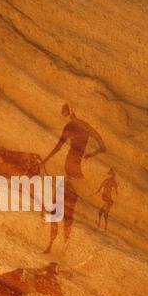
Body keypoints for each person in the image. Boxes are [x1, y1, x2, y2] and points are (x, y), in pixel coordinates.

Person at [41, 103, 106, 252]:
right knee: (65, 214)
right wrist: (91, 154)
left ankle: (56, 245)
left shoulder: (70, 127)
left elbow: (58, 147)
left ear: (70, 111)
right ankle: (60, 245)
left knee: (58, 212)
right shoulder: (86, 126)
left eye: (64, 111)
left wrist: (45, 161)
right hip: (74, 173)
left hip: (72, 173)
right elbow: (103, 146)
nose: (63, 114)